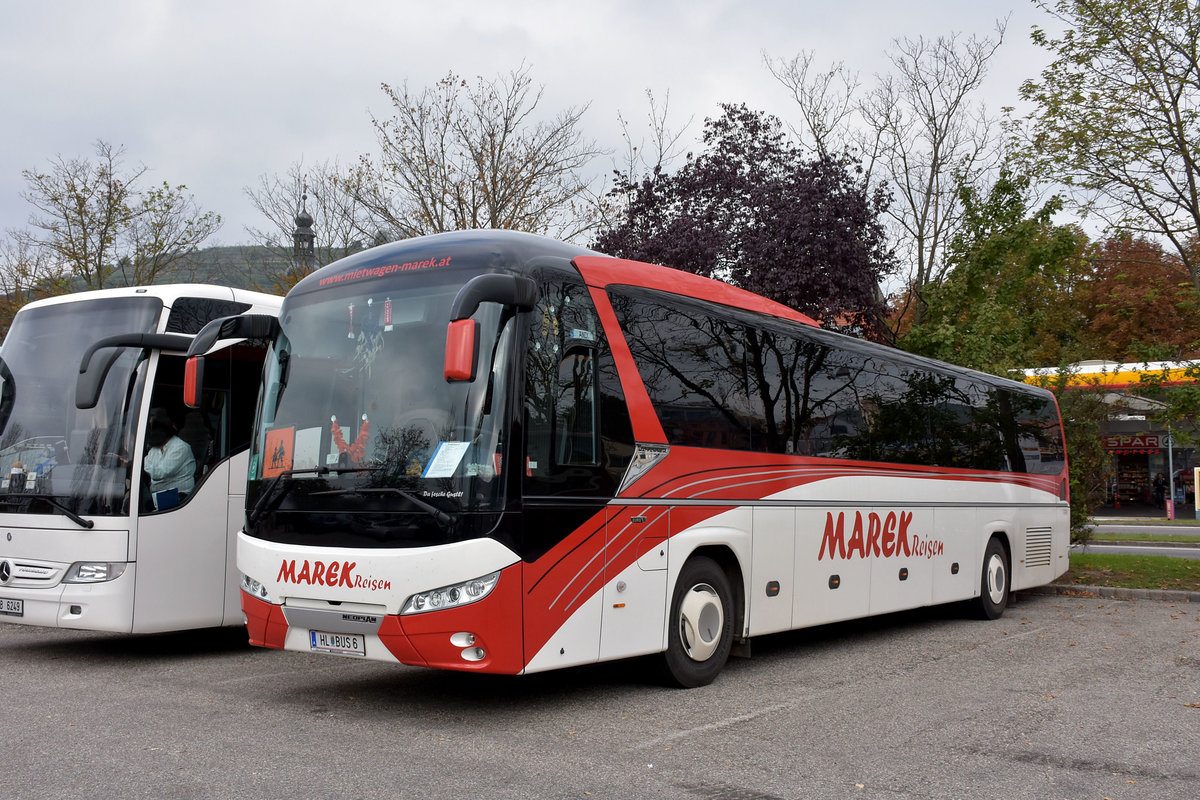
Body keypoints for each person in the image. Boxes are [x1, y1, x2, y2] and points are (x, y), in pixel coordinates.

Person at [143, 408, 196, 510]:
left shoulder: (180, 447)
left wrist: (138, 465)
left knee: (144, 507)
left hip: (178, 496)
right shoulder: (155, 448)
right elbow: (147, 462)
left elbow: (159, 473)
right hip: (158, 494)